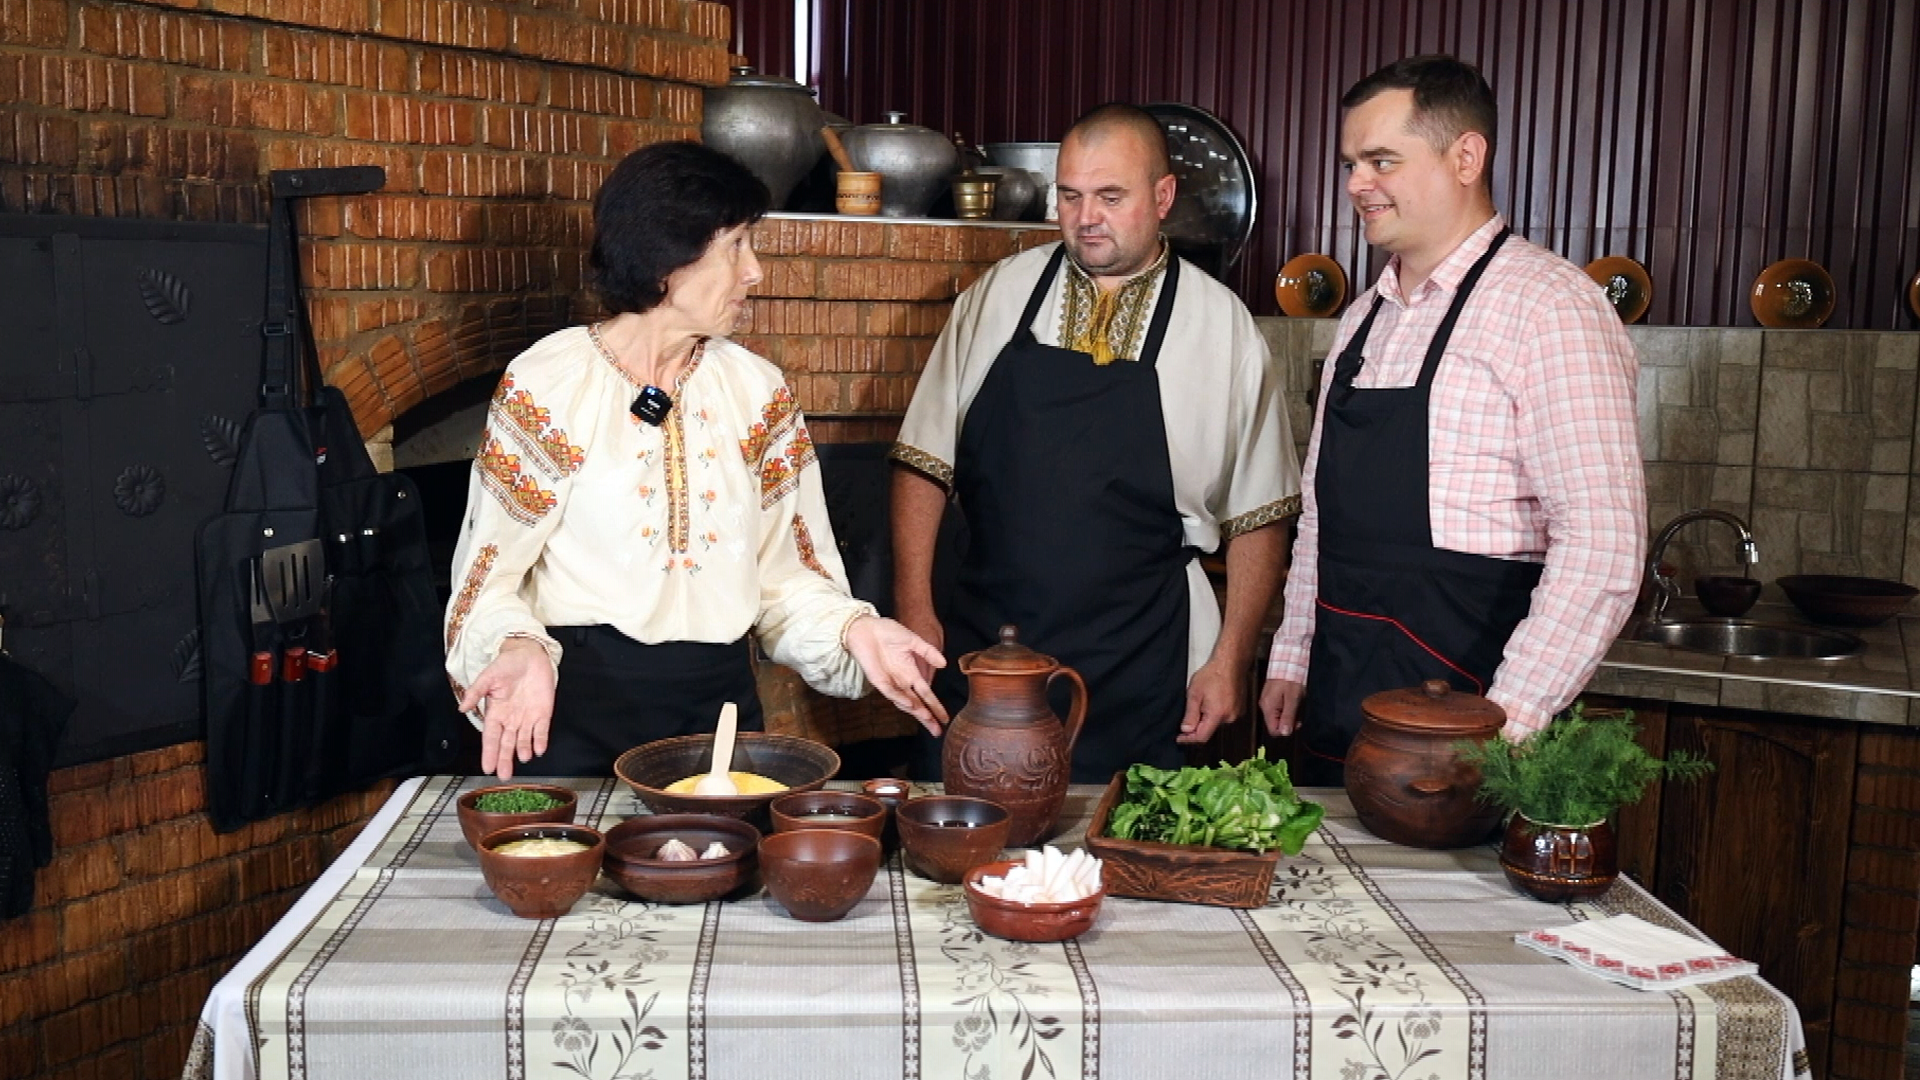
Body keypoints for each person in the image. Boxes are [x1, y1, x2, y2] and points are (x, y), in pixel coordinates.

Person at [445, 141, 947, 780]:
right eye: (736, 245)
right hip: (574, 714)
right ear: (667, 261)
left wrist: (855, 631)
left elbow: (788, 582)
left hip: (720, 715)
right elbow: (486, 578)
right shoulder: (549, 385)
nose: (755, 271)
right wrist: (516, 646)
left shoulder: (757, 392)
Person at [1260, 56, 1646, 784]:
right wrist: (1293, 651)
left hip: (1471, 721)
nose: (1354, 186)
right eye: (1350, 164)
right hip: (1339, 700)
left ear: (1466, 156)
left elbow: (1603, 547)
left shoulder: (1551, 308)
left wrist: (1506, 730)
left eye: (1381, 161)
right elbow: (1321, 516)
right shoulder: (1363, 319)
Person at [891, 103, 1301, 784]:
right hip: (987, 649)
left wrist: (1228, 660)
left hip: (1144, 658)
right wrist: (914, 609)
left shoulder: (1222, 329)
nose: (1086, 218)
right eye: (1071, 196)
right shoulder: (996, 298)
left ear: (1163, 196)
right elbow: (921, 464)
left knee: (1128, 853)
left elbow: (1259, 516)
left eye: (1111, 197)